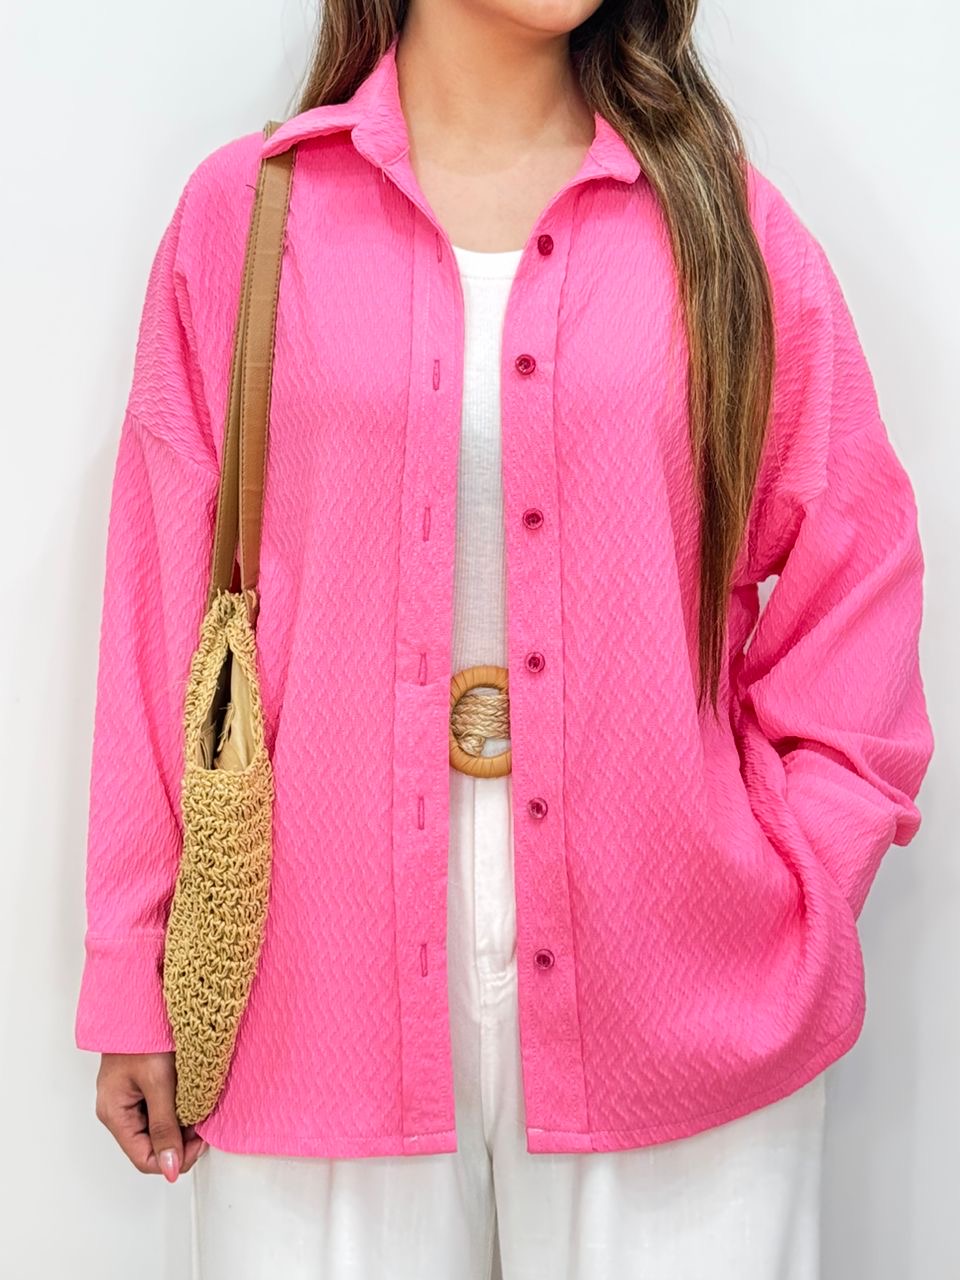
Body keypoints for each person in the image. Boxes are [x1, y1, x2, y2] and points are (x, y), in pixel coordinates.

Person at [74, 2, 935, 1277]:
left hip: (675, 979)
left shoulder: (727, 225)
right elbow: (158, 606)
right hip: (314, 989)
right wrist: (129, 960)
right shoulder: (246, 217)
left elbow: (852, 571)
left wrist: (802, 866)